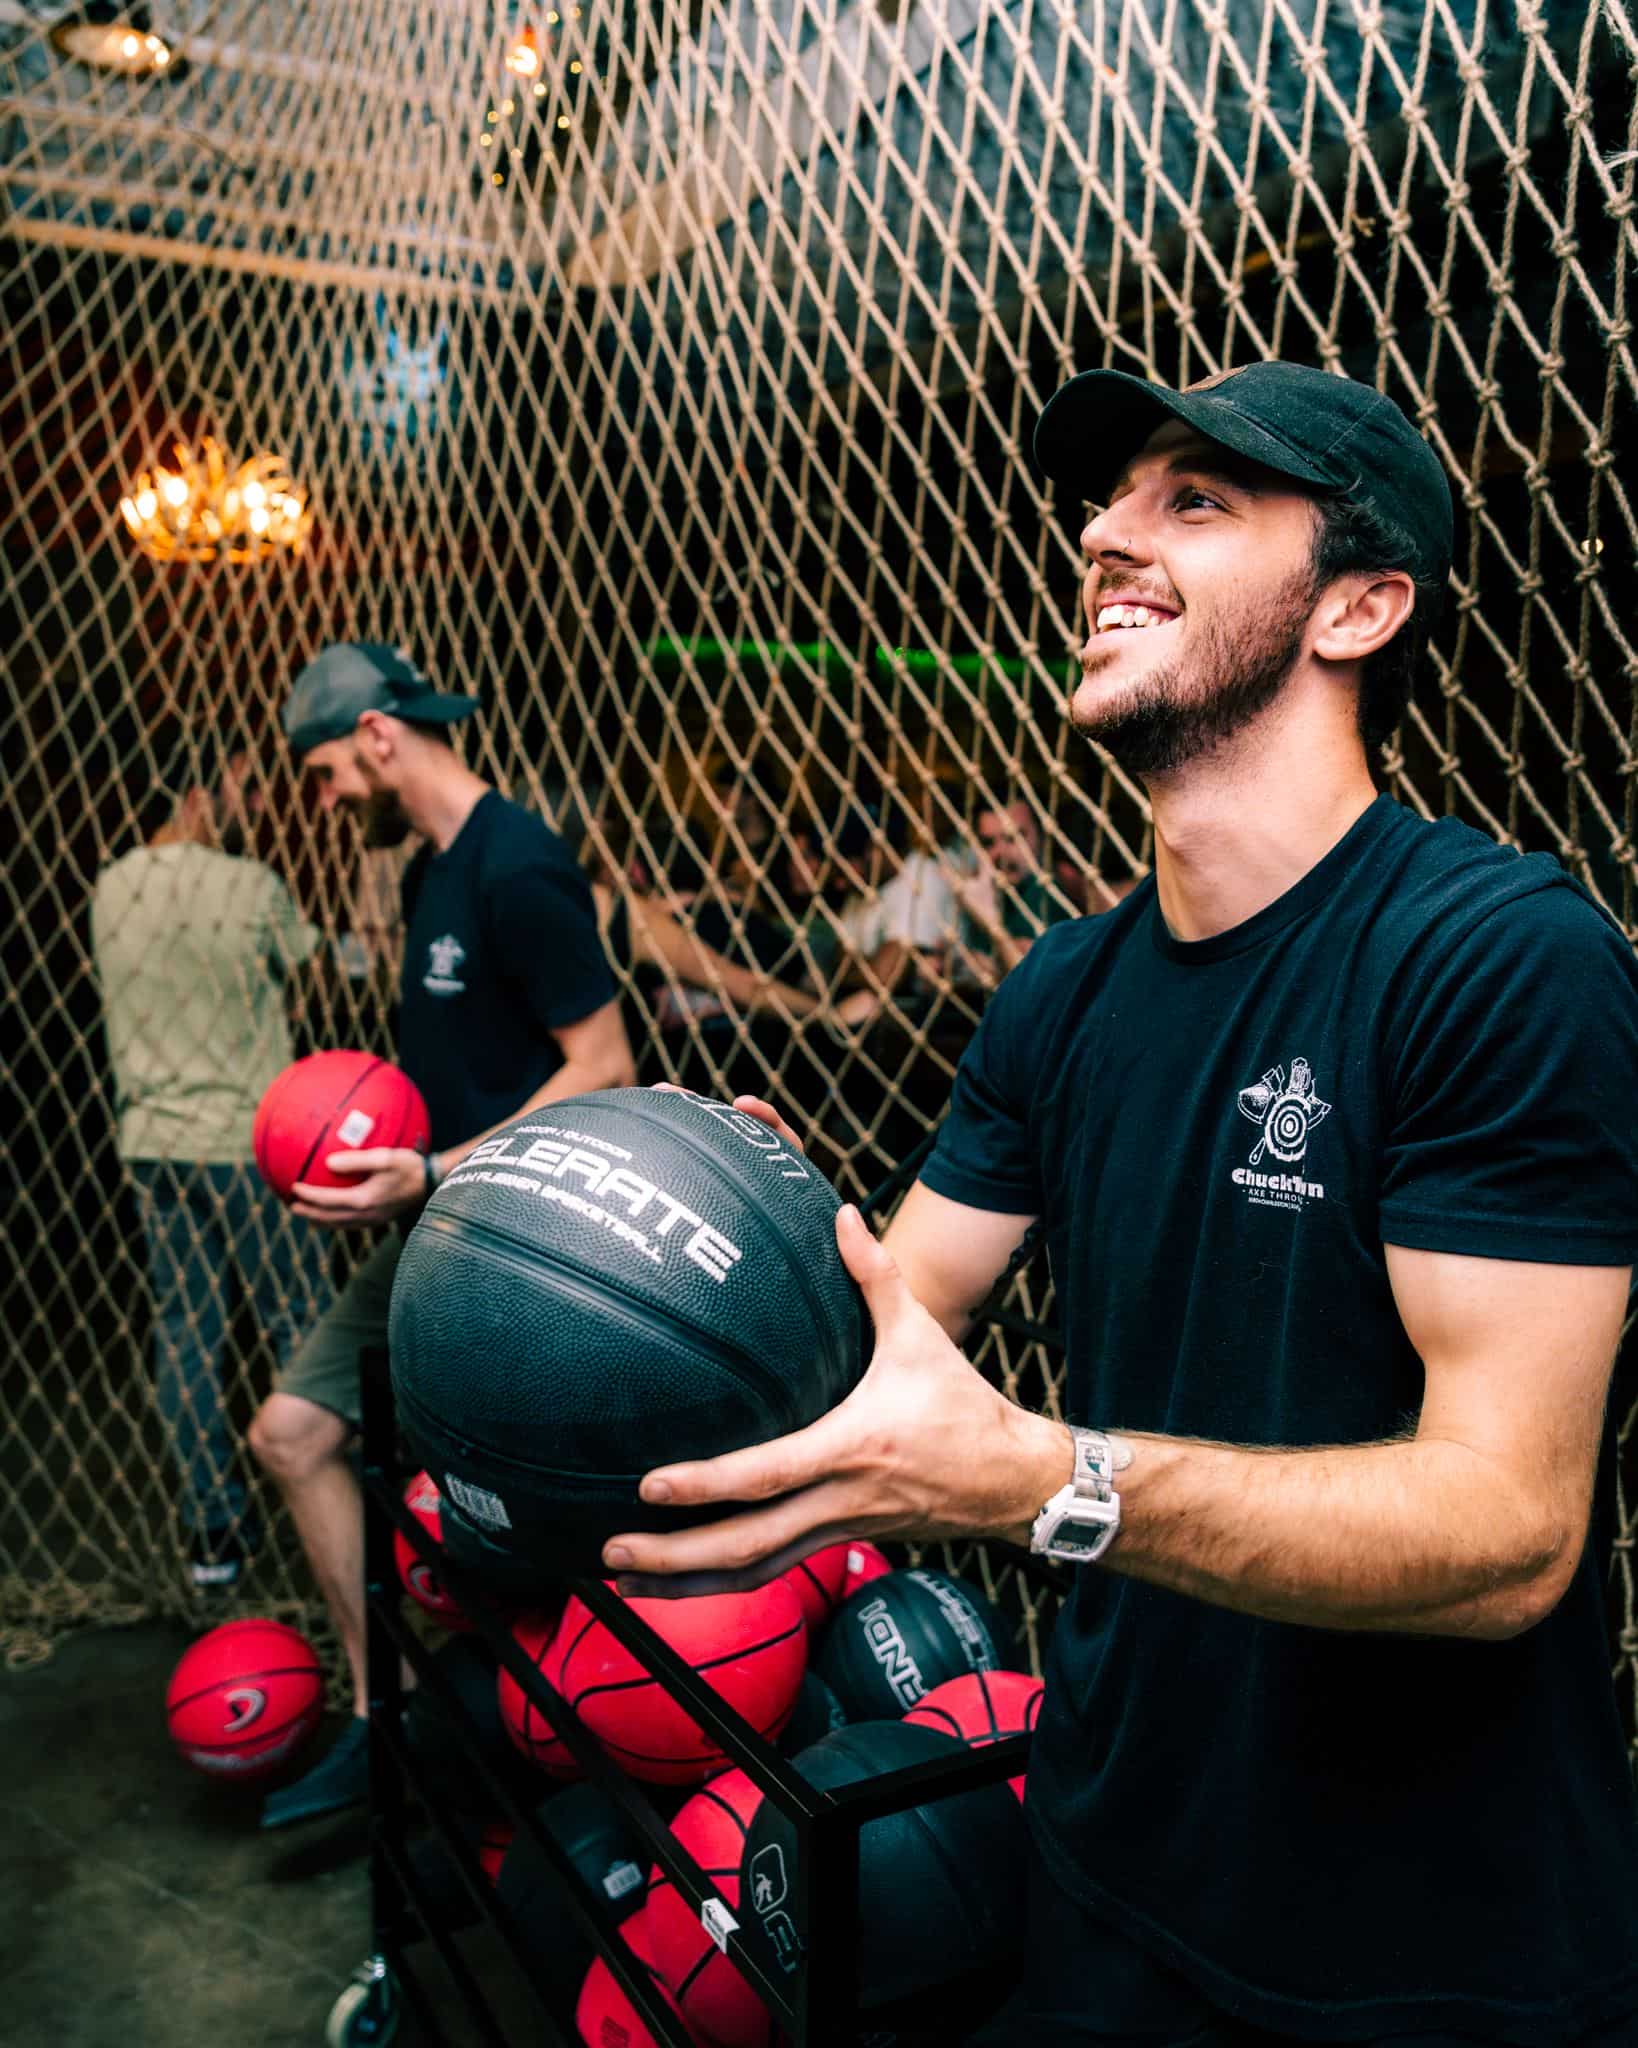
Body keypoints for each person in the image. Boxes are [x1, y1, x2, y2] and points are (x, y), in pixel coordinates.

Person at [600, 363, 1638, 2043]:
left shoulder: (1495, 957)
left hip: (1419, 1944)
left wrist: (1046, 1482)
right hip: (1102, 1857)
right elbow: (889, 1323)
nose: (1102, 535)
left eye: (1193, 500)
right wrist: (728, 1230)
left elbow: (1508, 1531)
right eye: (1108, 501)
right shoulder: (1061, 988)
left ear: (1357, 607)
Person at [247, 643, 635, 1828]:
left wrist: (428, 1168)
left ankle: (567, 1753)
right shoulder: (429, 874)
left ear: (377, 736)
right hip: (437, 1219)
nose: (326, 801)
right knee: (293, 1431)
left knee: (526, 1521)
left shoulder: (518, 861)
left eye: (325, 773)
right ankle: (391, 1720)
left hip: (525, 1241)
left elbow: (606, 1065)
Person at [92, 738, 329, 1593]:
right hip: (242, 1142)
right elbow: (317, 970)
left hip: (152, 1144)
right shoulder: (250, 885)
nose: (256, 805)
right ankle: (328, 1504)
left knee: (187, 1332)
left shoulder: (112, 885)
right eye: (244, 788)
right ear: (200, 791)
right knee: (299, 1322)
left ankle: (212, 1530)